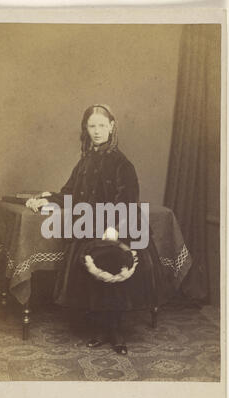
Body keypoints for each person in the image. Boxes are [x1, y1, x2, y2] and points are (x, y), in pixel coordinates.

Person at [27, 104, 167, 354]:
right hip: (90, 225)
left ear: (112, 127)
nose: (97, 131)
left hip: (118, 225)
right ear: (86, 129)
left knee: (114, 273)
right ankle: (100, 329)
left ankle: (116, 332)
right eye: (92, 126)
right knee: (92, 277)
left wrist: (114, 228)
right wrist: (47, 199)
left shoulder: (122, 163)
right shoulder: (85, 162)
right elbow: (69, 192)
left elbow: (127, 200)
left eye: (102, 125)